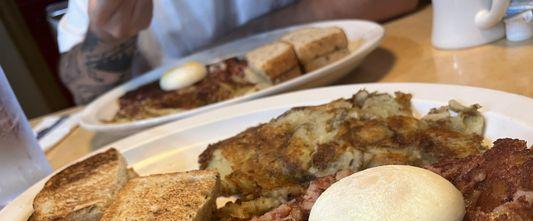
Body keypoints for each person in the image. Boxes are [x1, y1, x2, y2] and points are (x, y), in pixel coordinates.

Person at [58, 0, 418, 104]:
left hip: (350, 90)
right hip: (177, 139)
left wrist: (233, 45)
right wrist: (107, 35)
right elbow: (87, 93)